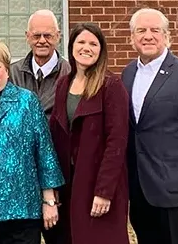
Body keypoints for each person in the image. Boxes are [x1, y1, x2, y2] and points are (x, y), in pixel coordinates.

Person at [122, 8, 178, 244]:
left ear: (166, 36)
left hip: (177, 192)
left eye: (155, 30)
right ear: (132, 37)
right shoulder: (127, 74)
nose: (148, 36)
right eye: (141, 30)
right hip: (140, 190)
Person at [0, 39, 64, 244]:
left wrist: (49, 200)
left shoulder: (26, 101)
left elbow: (44, 151)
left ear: (7, 71)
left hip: (20, 213)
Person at [49, 22, 130, 244]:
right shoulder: (64, 83)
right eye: (81, 42)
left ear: (101, 50)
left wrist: (104, 191)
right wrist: (52, 184)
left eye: (93, 44)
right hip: (69, 183)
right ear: (71, 47)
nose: (87, 48)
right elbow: (57, 134)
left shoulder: (111, 86)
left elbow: (117, 142)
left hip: (97, 183)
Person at [10, 9, 71, 120]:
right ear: (27, 37)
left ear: (58, 36)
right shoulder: (12, 74)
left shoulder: (71, 74)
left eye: (48, 36)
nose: (42, 41)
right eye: (36, 36)